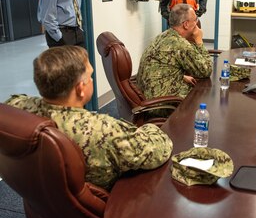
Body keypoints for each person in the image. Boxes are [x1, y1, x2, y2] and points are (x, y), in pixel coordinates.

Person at [5, 46, 173, 191]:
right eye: (90, 76)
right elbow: (160, 150)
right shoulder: (102, 130)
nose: (91, 80)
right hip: (108, 205)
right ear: (80, 89)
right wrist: (149, 128)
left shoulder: (14, 108)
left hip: (42, 198)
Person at [137, 3, 213, 99]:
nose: (196, 23)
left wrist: (182, 77)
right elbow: (206, 71)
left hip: (146, 93)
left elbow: (161, 68)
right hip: (160, 101)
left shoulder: (163, 35)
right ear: (186, 24)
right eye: (195, 20)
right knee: (202, 94)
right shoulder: (180, 44)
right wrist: (199, 40)